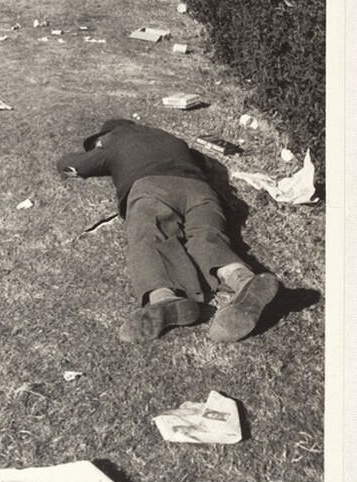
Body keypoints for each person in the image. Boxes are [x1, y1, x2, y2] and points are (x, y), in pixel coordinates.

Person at [57, 118, 280, 344]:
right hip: (200, 189)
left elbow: (74, 165)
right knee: (207, 235)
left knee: (149, 237)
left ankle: (163, 298)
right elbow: (202, 163)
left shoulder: (114, 139)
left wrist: (81, 157)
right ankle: (243, 280)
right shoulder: (170, 138)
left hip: (151, 188)